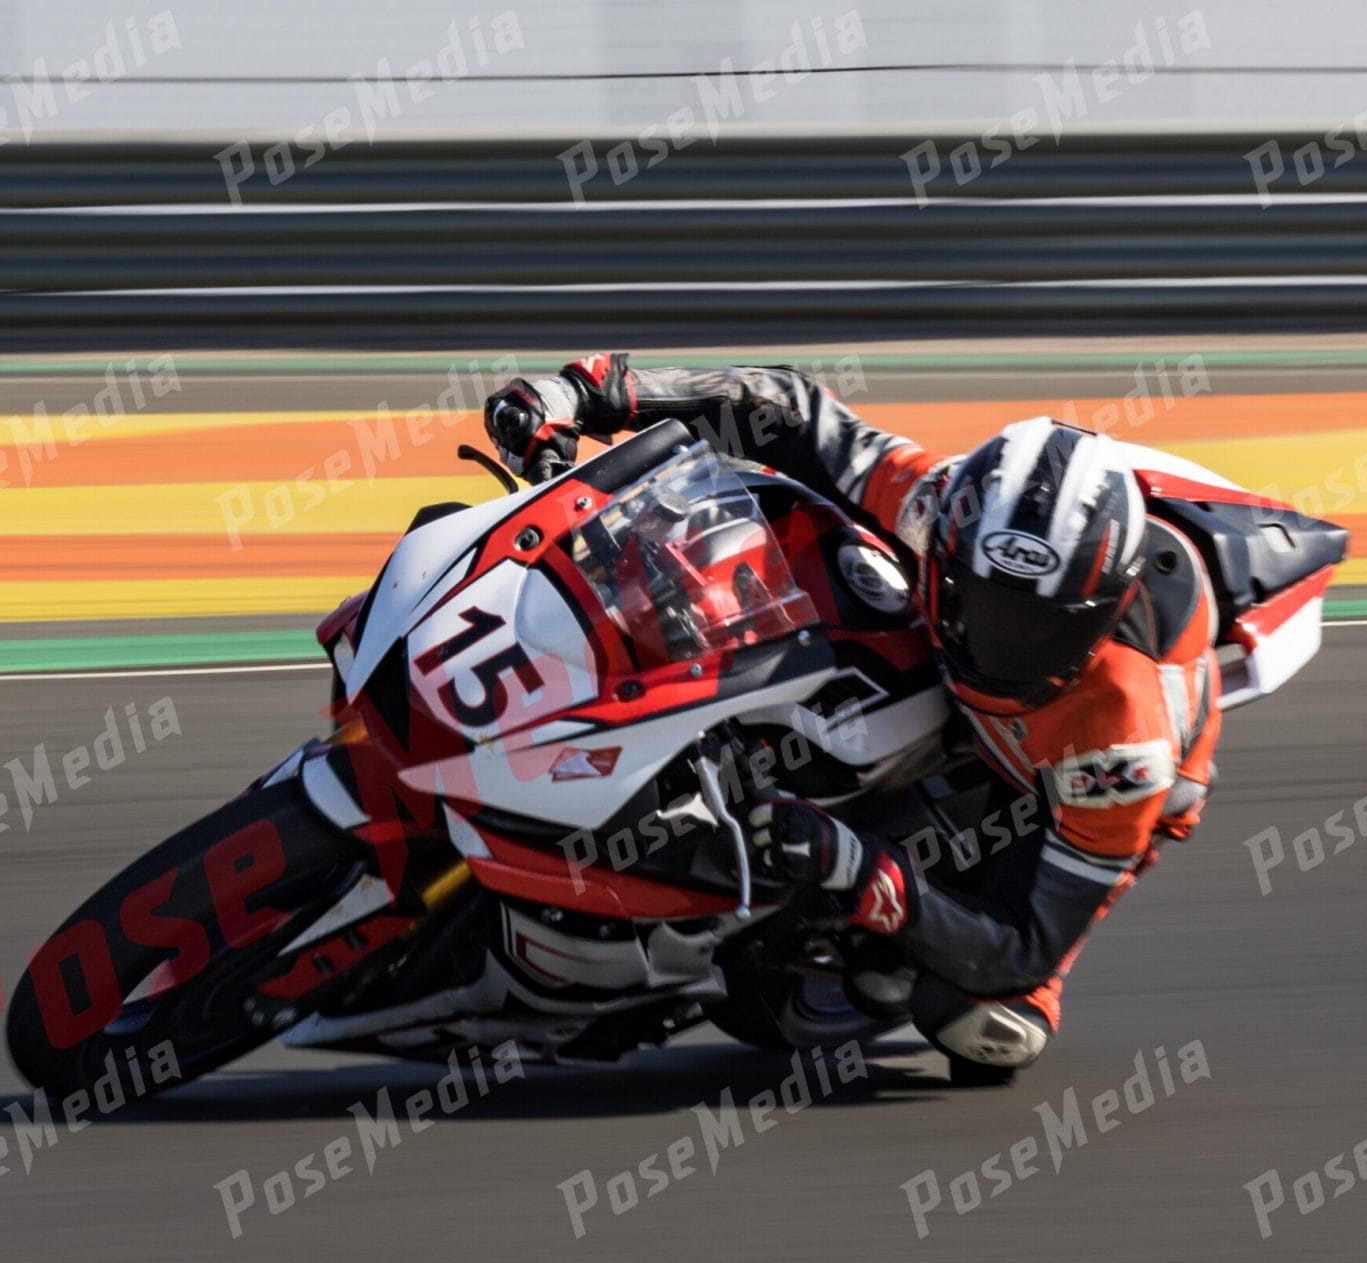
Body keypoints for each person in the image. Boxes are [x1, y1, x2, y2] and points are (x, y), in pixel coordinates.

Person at [486, 354, 1221, 1076]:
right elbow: (786, 410)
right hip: (946, 667)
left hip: (1049, 786)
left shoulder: (1123, 748)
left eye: (1040, 629)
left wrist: (857, 865)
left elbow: (1022, 945)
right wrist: (595, 391)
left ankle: (888, 945)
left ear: (1101, 615)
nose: (1004, 648)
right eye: (985, 607)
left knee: (982, 1018)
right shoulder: (939, 506)